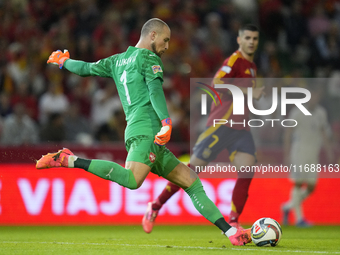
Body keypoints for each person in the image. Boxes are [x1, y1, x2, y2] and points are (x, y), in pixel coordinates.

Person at [36, 18, 251, 246]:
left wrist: (64, 61)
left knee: (191, 182)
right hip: (147, 129)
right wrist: (166, 121)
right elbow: (155, 89)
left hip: (142, 132)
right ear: (152, 35)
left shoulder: (116, 60)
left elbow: (85, 69)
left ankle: (231, 233)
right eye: (165, 40)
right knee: (132, 180)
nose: (167, 46)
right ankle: (69, 160)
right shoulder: (149, 58)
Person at [143, 24, 264, 233]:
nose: (251, 41)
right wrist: (247, 92)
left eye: (255, 38)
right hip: (221, 125)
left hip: (240, 128)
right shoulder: (234, 61)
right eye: (248, 38)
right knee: (190, 172)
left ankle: (234, 221)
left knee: (247, 170)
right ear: (239, 40)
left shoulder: (252, 67)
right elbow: (216, 83)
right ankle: (155, 205)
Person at [282, 86, 333, 227]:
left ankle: (288, 206)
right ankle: (299, 219)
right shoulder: (297, 112)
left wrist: (329, 151)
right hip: (299, 151)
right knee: (298, 183)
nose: (314, 98)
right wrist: (286, 153)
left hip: (313, 152)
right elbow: (288, 132)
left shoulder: (321, 113)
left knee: (311, 186)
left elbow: (324, 131)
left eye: (316, 95)